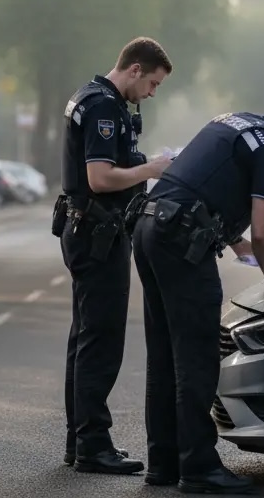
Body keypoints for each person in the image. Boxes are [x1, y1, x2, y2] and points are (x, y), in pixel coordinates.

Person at [129, 109, 264, 493]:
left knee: (164, 355)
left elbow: (202, 185)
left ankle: (164, 462)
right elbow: (263, 228)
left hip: (149, 227)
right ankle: (199, 467)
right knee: (198, 356)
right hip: (180, 241)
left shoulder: (238, 121)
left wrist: (233, 242)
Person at [52, 37, 174, 475]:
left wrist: (139, 161)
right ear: (136, 70)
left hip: (86, 229)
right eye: (153, 84)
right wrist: (152, 169)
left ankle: (81, 440)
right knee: (101, 342)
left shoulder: (93, 97)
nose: (152, 93)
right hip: (97, 232)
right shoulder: (104, 106)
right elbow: (100, 178)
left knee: (84, 339)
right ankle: (93, 446)